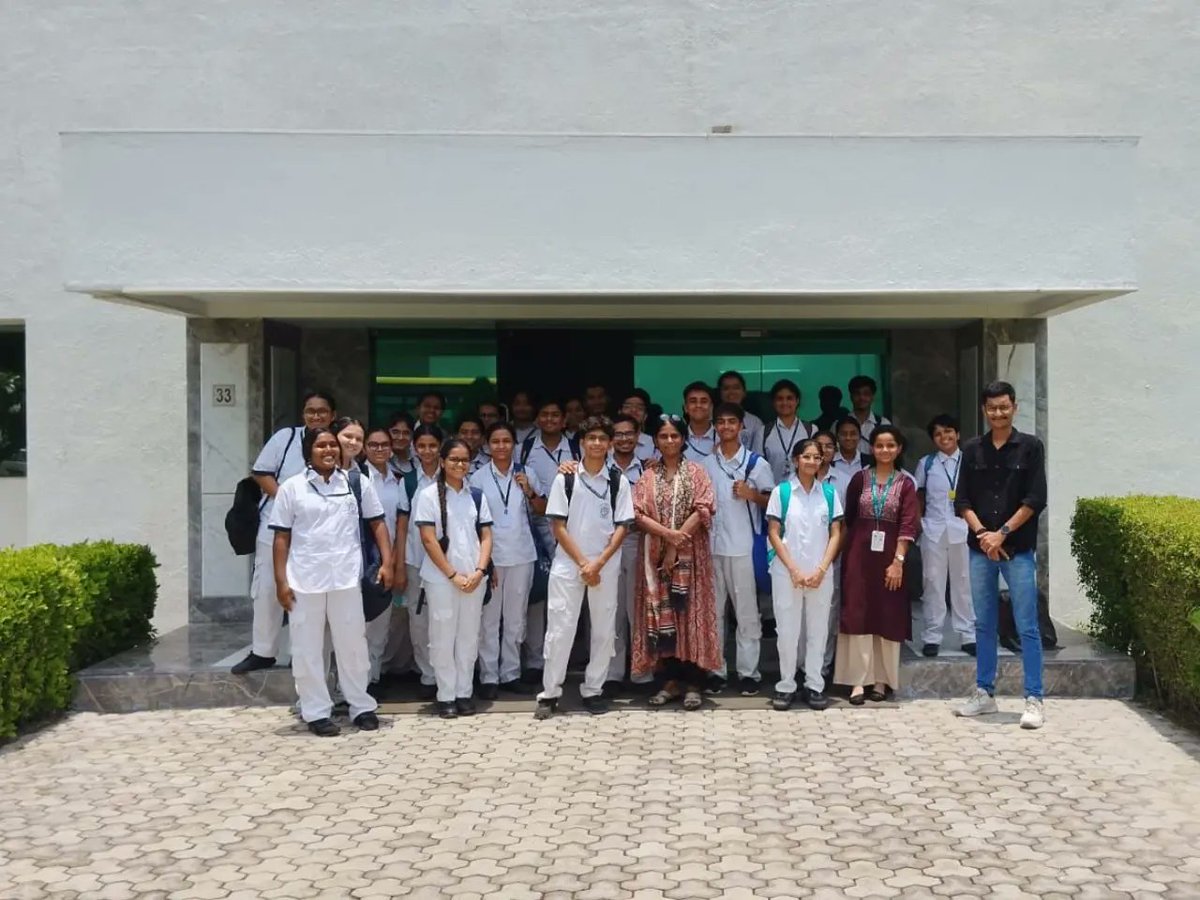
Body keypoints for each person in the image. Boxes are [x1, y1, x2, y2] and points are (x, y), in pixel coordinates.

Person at [269, 426, 392, 736]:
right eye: (320, 445)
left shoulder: (355, 483)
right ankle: (315, 711)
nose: (328, 450)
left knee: (353, 646)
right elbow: (281, 537)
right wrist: (281, 582)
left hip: (346, 578)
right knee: (308, 649)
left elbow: (377, 523)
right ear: (309, 451)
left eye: (332, 445)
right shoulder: (292, 488)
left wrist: (387, 562)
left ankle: (361, 706)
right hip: (304, 581)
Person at [953, 381, 1048, 730]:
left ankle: (1034, 699)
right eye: (992, 408)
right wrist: (982, 535)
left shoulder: (1030, 447)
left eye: (1004, 407)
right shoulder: (972, 449)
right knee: (983, 624)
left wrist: (1002, 533)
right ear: (984, 410)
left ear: (1014, 407)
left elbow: (1036, 498)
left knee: (1027, 626)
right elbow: (961, 500)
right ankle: (984, 693)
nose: (998, 413)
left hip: (1017, 550)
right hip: (980, 549)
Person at [534, 417, 635, 720]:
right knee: (560, 630)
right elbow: (558, 526)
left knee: (604, 630)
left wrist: (599, 562)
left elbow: (622, 527)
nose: (596, 443)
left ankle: (594, 689)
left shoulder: (619, 480)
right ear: (581, 443)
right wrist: (582, 563)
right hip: (569, 563)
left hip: (605, 564)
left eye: (602, 438)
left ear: (609, 443)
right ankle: (550, 693)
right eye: (590, 438)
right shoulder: (565, 479)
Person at [233, 389, 336, 675]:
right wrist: (286, 499)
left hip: (314, 531)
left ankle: (298, 652)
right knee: (267, 589)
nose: (316, 416)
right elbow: (261, 472)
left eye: (322, 411)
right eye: (310, 411)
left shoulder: (334, 443)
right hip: (275, 524)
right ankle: (263, 651)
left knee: (306, 592)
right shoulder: (286, 438)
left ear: (333, 415)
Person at [631, 414, 721, 710]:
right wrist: (668, 537)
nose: (669, 441)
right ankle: (669, 682)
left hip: (692, 556)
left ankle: (694, 682)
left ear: (683, 439)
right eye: (663, 436)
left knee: (690, 615)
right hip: (654, 559)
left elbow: (704, 507)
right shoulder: (647, 475)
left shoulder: (697, 472)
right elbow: (637, 514)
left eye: (674, 436)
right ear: (655, 440)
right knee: (662, 616)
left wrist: (676, 541)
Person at [835, 425, 920, 704]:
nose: (885, 450)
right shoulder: (859, 479)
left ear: (899, 449)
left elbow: (909, 525)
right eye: (880, 445)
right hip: (859, 556)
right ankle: (858, 681)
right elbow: (848, 519)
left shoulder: (906, 483)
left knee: (887, 612)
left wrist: (898, 562)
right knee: (858, 611)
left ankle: (882, 680)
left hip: (891, 556)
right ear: (871, 448)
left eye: (890, 445)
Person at [415, 438, 494, 718]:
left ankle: (464, 693)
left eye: (464, 460)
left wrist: (480, 571)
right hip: (441, 580)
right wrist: (452, 575)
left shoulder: (476, 495)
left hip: (474, 577)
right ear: (443, 461)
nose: (459, 465)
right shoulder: (427, 496)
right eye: (453, 459)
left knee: (469, 637)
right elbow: (428, 540)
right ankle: (446, 694)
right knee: (442, 637)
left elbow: (485, 535)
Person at [702, 402, 775, 695]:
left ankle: (748, 673)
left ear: (742, 426)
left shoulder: (756, 463)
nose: (726, 427)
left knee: (746, 613)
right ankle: (716, 670)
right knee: (714, 613)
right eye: (721, 422)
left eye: (732, 422)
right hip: (711, 548)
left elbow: (775, 503)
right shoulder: (707, 464)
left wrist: (752, 495)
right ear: (715, 427)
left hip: (744, 547)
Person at [766, 438, 844, 711]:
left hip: (820, 573)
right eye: (806, 456)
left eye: (817, 457)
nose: (812, 461)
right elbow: (774, 533)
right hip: (787, 573)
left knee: (818, 630)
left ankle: (814, 685)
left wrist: (822, 569)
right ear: (796, 459)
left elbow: (836, 534)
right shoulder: (782, 492)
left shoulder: (830, 494)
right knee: (787, 631)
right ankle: (786, 684)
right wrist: (795, 570)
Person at [469, 422, 545, 698]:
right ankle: (489, 676)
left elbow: (542, 509)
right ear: (488, 446)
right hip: (491, 556)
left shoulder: (527, 473)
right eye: (496, 441)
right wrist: (483, 561)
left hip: (523, 554)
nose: (501, 446)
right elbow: (473, 522)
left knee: (516, 618)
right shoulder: (477, 478)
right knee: (489, 618)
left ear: (514, 444)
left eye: (506, 441)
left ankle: (511, 672)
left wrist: (530, 491)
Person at [517, 398, 581, 682]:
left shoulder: (577, 447)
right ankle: (534, 662)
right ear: (537, 420)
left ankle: (571, 658)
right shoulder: (526, 449)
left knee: (574, 598)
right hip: (538, 530)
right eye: (545, 413)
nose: (551, 419)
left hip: (574, 529)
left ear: (565, 419)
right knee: (538, 596)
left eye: (556, 414)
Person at [385, 423, 445, 697]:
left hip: (449, 563)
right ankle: (428, 676)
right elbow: (401, 525)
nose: (427, 451)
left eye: (433, 446)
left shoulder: (453, 476)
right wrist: (398, 565)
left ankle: (448, 675)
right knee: (418, 620)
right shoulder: (408, 481)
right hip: (415, 560)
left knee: (445, 619)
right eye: (422, 446)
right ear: (415, 448)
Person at [915, 414, 975, 658]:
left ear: (958, 434)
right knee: (933, 583)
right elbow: (918, 494)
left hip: (964, 529)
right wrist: (919, 523)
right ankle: (932, 635)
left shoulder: (970, 461)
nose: (944, 437)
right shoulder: (926, 464)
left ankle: (968, 635)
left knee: (964, 583)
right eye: (938, 434)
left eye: (949, 431)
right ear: (933, 439)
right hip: (934, 530)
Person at [604, 414, 649, 689]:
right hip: (605, 546)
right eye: (618, 434)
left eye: (628, 433)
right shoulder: (597, 467)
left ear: (637, 436)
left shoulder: (646, 469)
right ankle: (611, 674)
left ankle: (642, 672)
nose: (624, 439)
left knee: (638, 610)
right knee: (611, 610)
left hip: (636, 543)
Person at [362, 426, 407, 689]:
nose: (379, 449)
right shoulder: (356, 478)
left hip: (388, 559)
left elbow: (402, 524)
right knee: (358, 626)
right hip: (363, 559)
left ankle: (374, 678)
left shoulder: (398, 480)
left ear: (392, 449)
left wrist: (394, 561)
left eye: (384, 445)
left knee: (381, 622)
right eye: (373, 445)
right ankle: (356, 683)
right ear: (365, 448)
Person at [814, 429, 849, 680]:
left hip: (833, 556)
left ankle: (823, 667)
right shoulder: (790, 482)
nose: (824, 451)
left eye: (829, 446)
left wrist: (836, 553)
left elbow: (846, 523)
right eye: (819, 446)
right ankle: (801, 667)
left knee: (828, 612)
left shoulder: (845, 480)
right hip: (800, 557)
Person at [762, 379, 817, 483]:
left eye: (789, 398)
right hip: (772, 494)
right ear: (773, 402)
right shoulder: (763, 432)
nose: (784, 402)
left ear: (797, 401)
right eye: (780, 399)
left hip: (803, 493)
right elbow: (758, 468)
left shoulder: (811, 430)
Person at [717, 371, 765, 454]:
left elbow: (758, 455)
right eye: (726, 388)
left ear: (744, 392)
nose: (731, 392)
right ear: (720, 393)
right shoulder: (713, 420)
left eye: (736, 388)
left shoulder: (755, 422)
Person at [848, 375, 890, 455]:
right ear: (851, 396)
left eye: (866, 394)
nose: (861, 397)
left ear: (872, 397)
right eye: (857, 394)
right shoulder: (838, 425)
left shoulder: (883, 424)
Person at [681, 381, 717, 461]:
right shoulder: (676, 438)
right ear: (686, 407)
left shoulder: (722, 437)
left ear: (711, 407)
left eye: (703, 401)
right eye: (693, 401)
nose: (698, 405)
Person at [620, 391, 657, 461]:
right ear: (619, 411)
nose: (633, 410)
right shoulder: (609, 441)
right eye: (627, 407)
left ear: (645, 415)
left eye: (639, 408)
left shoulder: (654, 443)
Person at [387, 412, 416, 476]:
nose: (401, 437)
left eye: (406, 433)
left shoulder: (417, 460)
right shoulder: (380, 460)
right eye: (395, 432)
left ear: (412, 436)